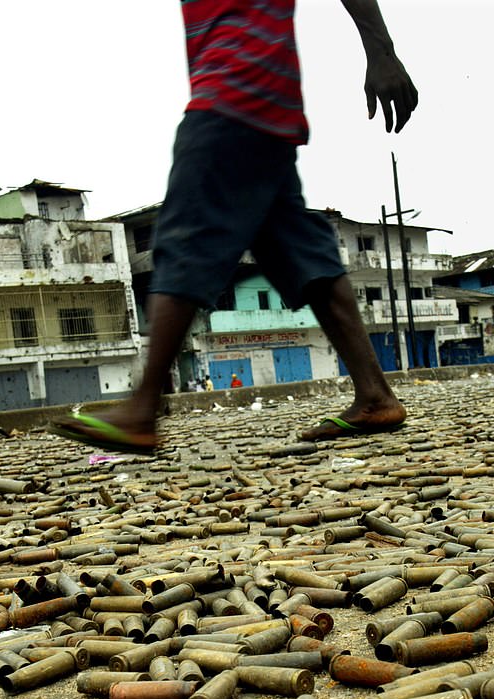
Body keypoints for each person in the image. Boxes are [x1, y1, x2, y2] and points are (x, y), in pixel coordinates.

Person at [52, 0, 418, 455]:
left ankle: (142, 410)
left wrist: (382, 52)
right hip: (263, 98)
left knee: (186, 233)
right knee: (298, 247)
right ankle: (376, 395)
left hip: (234, 89)